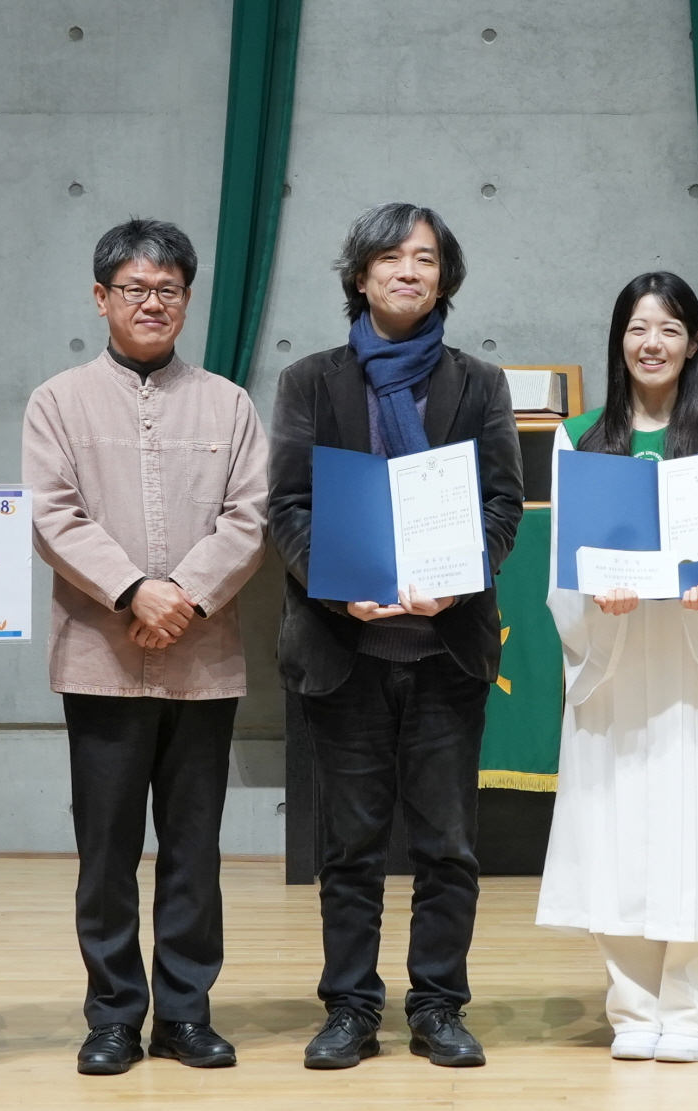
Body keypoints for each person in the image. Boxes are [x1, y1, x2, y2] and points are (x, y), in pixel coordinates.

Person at [267, 202, 523, 1070]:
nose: (408, 271)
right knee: (348, 848)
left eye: (425, 258)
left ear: (443, 277)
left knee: (448, 845)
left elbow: (501, 507)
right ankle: (349, 1007)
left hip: (447, 650)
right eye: (391, 257)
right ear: (360, 275)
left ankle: (439, 1005)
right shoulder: (311, 381)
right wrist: (340, 595)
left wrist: (461, 577)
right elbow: (289, 509)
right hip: (346, 654)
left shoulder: (478, 383)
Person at [22, 219, 270, 1076]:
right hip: (100, 658)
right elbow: (51, 515)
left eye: (168, 289)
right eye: (135, 288)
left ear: (188, 300)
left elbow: (251, 517)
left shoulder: (228, 403)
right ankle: (115, 1015)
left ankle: (187, 1015)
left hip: (203, 661)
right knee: (106, 852)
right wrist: (134, 590)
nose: (152, 302)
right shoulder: (57, 400)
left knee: (195, 852)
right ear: (101, 298)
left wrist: (185, 596)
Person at [534, 272, 698, 1064]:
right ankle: (632, 1008)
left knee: (693, 826)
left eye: (669, 328)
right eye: (637, 327)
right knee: (616, 829)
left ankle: (694, 1012)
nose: (652, 342)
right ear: (618, 340)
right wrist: (597, 603)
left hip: (693, 666)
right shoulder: (581, 437)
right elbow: (562, 569)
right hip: (618, 656)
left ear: (694, 342)